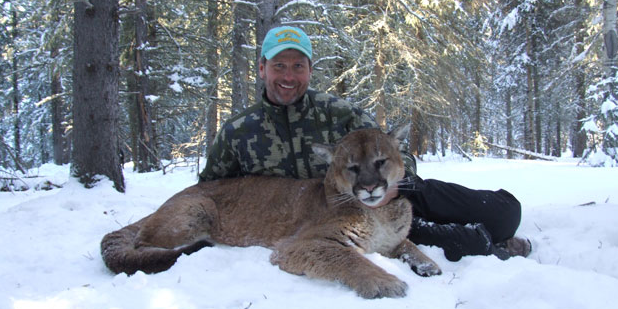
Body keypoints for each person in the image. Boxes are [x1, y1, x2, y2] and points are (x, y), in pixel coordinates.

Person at [199, 25, 531, 261]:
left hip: (394, 193)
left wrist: (391, 187)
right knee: (454, 241)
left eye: (298, 66)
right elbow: (210, 191)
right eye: (279, 66)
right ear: (262, 68)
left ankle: (491, 230)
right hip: (340, 219)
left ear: (310, 70)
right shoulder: (238, 130)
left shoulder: (340, 113)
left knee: (505, 213)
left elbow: (398, 156)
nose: (288, 76)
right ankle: (484, 247)